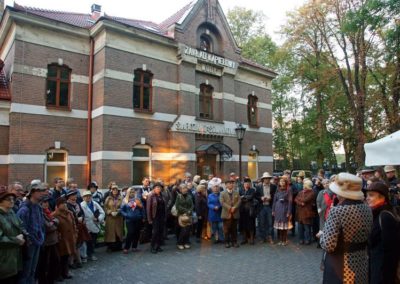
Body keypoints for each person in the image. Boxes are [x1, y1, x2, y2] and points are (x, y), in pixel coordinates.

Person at [320, 173, 372, 284]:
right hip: (361, 261)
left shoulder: (337, 211)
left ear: (340, 193)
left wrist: (322, 235)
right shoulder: (367, 209)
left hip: (340, 265)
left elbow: (328, 245)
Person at [366, 181, 400, 284]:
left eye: (371, 195)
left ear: (382, 197)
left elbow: (391, 251)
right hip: (377, 267)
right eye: (367, 195)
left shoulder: (385, 216)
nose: (367, 198)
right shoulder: (377, 213)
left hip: (383, 272)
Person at [17, 181, 47, 284]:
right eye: (41, 191)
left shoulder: (38, 207)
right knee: (26, 271)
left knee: (33, 271)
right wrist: (29, 240)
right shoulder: (24, 209)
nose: (44, 193)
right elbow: (21, 229)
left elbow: (41, 224)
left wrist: (41, 237)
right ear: (33, 192)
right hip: (29, 245)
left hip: (38, 242)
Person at [0, 186, 25, 284]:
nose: (12, 201)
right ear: (1, 201)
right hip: (4, 259)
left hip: (15, 256)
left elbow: (20, 225)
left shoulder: (11, 212)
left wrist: (23, 234)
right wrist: (16, 240)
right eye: (8, 199)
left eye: (13, 199)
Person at [37, 196, 60, 284]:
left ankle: (51, 279)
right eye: (44, 202)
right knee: (44, 263)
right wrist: (54, 223)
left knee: (54, 261)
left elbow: (56, 221)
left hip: (52, 241)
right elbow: (47, 227)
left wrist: (53, 223)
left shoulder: (48, 212)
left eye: (47, 202)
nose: (46, 203)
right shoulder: (40, 213)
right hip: (45, 242)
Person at [52, 197, 77, 280]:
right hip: (61, 240)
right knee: (59, 258)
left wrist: (75, 233)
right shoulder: (54, 215)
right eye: (62, 203)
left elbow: (74, 224)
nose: (65, 205)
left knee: (66, 257)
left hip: (69, 238)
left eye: (65, 203)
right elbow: (54, 227)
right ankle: (58, 274)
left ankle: (65, 272)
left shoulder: (69, 213)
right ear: (58, 205)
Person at [66, 190, 90, 269]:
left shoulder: (77, 204)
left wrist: (82, 218)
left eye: (75, 195)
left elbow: (82, 213)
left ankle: (76, 261)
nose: (75, 197)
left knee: (77, 244)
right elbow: (69, 216)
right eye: (73, 195)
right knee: (74, 245)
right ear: (69, 196)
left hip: (79, 227)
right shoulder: (67, 205)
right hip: (72, 227)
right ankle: (73, 262)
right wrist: (77, 219)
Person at [80, 190, 105, 261]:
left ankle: (91, 254)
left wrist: (98, 219)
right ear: (83, 198)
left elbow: (102, 212)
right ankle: (85, 255)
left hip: (95, 224)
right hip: (86, 226)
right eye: (86, 196)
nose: (88, 197)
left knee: (93, 241)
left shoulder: (95, 203)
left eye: (89, 196)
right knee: (86, 241)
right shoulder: (81, 205)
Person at [120, 187, 144, 254]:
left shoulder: (137, 199)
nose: (132, 193)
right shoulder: (125, 200)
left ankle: (134, 247)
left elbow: (142, 208)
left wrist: (142, 216)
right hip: (129, 220)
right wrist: (126, 215)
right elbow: (121, 210)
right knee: (130, 232)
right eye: (130, 192)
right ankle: (126, 247)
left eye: (133, 192)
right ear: (128, 193)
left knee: (137, 233)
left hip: (138, 219)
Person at [255, 172, 276, 244]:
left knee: (270, 223)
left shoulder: (273, 186)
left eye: (268, 178)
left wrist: (271, 198)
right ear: (263, 179)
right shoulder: (258, 186)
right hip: (261, 207)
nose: (267, 180)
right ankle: (262, 237)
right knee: (261, 223)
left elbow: (275, 196)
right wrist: (261, 198)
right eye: (265, 179)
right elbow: (256, 196)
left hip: (270, 206)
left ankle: (270, 237)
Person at [220, 180, 241, 248]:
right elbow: (222, 202)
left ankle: (234, 242)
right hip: (226, 214)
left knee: (234, 229)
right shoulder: (222, 193)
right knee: (226, 229)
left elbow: (239, 201)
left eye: (232, 183)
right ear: (226, 185)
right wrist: (229, 208)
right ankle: (227, 242)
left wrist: (235, 207)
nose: (231, 185)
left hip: (235, 213)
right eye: (229, 184)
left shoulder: (236, 192)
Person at [272, 178, 293, 246]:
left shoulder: (289, 190)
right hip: (278, 209)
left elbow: (290, 202)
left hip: (285, 208)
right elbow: (274, 200)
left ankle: (284, 240)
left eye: (283, 181)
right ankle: (280, 240)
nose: (282, 183)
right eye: (281, 181)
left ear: (285, 182)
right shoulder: (277, 190)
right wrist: (273, 210)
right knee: (279, 227)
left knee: (284, 227)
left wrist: (289, 212)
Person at [294, 179, 316, 245]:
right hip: (300, 212)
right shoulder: (301, 192)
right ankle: (301, 239)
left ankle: (307, 240)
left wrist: (300, 200)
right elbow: (295, 199)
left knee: (307, 227)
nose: (303, 185)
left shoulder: (312, 192)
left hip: (307, 212)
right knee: (300, 227)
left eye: (304, 184)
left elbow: (305, 200)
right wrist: (301, 203)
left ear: (308, 185)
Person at [147, 183, 166, 253]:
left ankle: (158, 246)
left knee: (160, 232)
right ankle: (152, 247)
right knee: (155, 232)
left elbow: (164, 206)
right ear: (154, 188)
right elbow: (148, 208)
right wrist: (149, 219)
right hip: (155, 216)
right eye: (157, 187)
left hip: (162, 216)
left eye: (160, 188)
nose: (159, 189)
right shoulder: (151, 196)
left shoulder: (161, 195)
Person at [104, 184, 124, 252]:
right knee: (110, 232)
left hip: (118, 218)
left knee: (118, 232)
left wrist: (119, 211)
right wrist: (110, 212)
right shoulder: (108, 198)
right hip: (110, 218)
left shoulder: (121, 198)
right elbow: (105, 207)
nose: (115, 191)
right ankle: (110, 247)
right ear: (111, 191)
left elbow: (123, 207)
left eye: (116, 190)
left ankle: (118, 247)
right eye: (113, 190)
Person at [175, 183, 193, 250]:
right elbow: (177, 206)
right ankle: (180, 243)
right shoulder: (178, 196)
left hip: (189, 215)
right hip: (181, 215)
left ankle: (186, 242)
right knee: (183, 230)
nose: (185, 189)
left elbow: (192, 205)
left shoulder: (189, 196)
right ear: (180, 190)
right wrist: (185, 211)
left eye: (185, 188)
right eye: (183, 188)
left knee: (188, 230)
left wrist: (189, 211)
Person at [239, 178, 257, 245]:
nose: (247, 184)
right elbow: (238, 198)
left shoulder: (252, 190)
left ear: (250, 184)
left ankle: (251, 238)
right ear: (243, 184)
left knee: (251, 225)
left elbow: (251, 197)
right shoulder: (241, 190)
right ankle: (245, 238)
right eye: (246, 183)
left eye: (248, 183)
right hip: (242, 210)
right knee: (243, 224)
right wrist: (244, 198)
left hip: (250, 210)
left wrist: (243, 197)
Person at [207, 178, 224, 244]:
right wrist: (213, 207)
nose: (216, 188)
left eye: (217, 187)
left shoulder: (221, 194)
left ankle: (221, 238)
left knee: (220, 226)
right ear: (212, 188)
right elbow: (208, 203)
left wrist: (219, 206)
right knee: (214, 227)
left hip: (220, 212)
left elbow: (223, 202)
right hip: (213, 213)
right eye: (214, 187)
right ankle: (216, 238)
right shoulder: (210, 195)